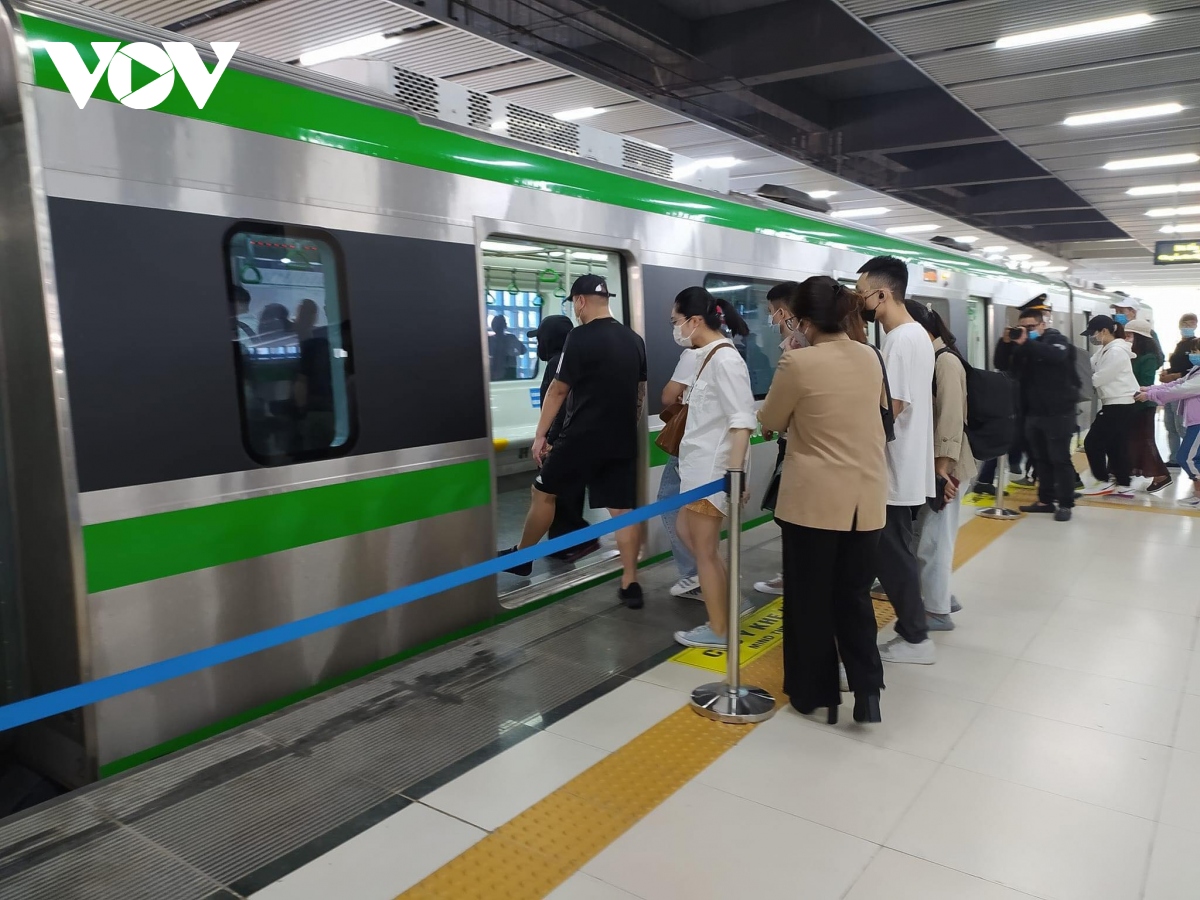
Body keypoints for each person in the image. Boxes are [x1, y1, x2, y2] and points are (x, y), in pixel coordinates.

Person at [758, 275, 886, 724]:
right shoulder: (871, 357)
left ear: (805, 321)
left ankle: (816, 694)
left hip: (813, 503)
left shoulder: (798, 365)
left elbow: (769, 420)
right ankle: (867, 692)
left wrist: (791, 358)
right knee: (853, 597)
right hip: (866, 500)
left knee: (809, 599)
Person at [500, 275, 647, 607]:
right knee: (623, 511)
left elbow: (558, 389)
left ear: (579, 301)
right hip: (621, 439)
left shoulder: (579, 338)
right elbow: (638, 392)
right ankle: (631, 583)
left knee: (542, 491)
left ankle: (523, 556)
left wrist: (541, 435)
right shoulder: (633, 339)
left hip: (580, 438)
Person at [856, 256, 936, 665]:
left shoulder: (901, 340)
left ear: (882, 295)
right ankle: (914, 632)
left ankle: (916, 637)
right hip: (902, 464)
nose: (859, 303)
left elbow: (894, 406)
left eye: (862, 294)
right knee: (892, 554)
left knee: (893, 557)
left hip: (894, 466)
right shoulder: (916, 334)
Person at [671, 287, 758, 649]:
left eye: (676, 322)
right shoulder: (706, 355)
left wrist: (733, 476)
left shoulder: (725, 359)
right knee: (690, 536)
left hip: (712, 472)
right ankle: (730, 606)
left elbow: (742, 421)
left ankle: (720, 628)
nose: (674, 329)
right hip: (697, 468)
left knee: (704, 550)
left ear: (694, 321)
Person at [905, 301, 976, 632]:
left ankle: (936, 612)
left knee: (934, 540)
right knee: (929, 536)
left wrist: (942, 470)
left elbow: (950, 418)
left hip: (948, 466)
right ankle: (941, 597)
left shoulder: (945, 361)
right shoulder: (933, 357)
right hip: (935, 464)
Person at [995, 298, 1079, 521]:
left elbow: (1056, 355)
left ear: (1043, 324)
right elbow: (1002, 364)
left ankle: (1065, 504)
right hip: (1033, 412)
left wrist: (1026, 342)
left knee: (1059, 458)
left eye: (1031, 327)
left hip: (1059, 412)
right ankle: (1045, 500)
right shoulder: (1023, 346)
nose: (1027, 331)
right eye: (1023, 328)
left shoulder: (1057, 340)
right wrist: (1004, 343)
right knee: (1041, 458)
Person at [528, 315, 602, 564]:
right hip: (577, 437)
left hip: (562, 439)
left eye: (540, 339)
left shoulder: (556, 363)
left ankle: (577, 540)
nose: (538, 344)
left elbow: (560, 405)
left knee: (554, 493)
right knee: (566, 492)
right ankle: (567, 542)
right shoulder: (573, 358)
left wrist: (549, 439)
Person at [755, 280, 804, 597]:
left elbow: (776, 412)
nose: (771, 319)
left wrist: (769, 419)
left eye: (772, 312)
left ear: (784, 312)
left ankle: (795, 577)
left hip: (797, 447)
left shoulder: (797, 353)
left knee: (790, 514)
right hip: (799, 443)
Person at [657, 346, 703, 600]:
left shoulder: (692, 355)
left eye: (677, 320)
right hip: (707, 446)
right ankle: (706, 569)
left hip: (689, 443)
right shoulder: (728, 350)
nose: (676, 328)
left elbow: (668, 396)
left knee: (669, 500)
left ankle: (695, 572)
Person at [1080, 315, 1139, 499]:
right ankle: (1123, 484)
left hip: (1118, 404)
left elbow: (1099, 377)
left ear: (1104, 331)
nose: (1093, 337)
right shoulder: (1106, 350)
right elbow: (1089, 366)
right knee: (1115, 446)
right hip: (1116, 403)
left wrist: (1080, 381)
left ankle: (1102, 481)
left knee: (1092, 442)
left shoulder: (1116, 352)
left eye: (1094, 333)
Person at [1137, 346, 1200, 508]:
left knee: (1186, 458)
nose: (1194, 355)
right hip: (1195, 422)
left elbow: (1180, 390)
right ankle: (1197, 494)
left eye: (1197, 351)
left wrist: (1150, 395)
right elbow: (1177, 383)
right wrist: (1150, 388)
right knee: (1194, 458)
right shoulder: (1196, 370)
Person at [1123, 318, 1172, 493]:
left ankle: (1161, 475)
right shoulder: (1134, 355)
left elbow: (1145, 382)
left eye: (1130, 336)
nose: (1127, 339)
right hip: (1133, 404)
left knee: (1145, 441)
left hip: (1144, 406)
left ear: (1139, 337)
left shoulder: (1149, 358)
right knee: (1137, 440)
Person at [1162, 313, 1198, 466]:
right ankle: (1174, 458)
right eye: (1185, 324)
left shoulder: (1195, 344)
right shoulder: (1179, 345)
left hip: (1183, 389)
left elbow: (1192, 370)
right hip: (1173, 387)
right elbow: (1178, 364)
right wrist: (1167, 373)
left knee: (1181, 426)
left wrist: (1176, 375)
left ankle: (1195, 457)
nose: (1187, 327)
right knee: (1170, 426)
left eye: (1191, 324)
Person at [488, 315, 526, 381]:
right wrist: (513, 353)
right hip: (509, 369)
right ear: (505, 325)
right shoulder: (511, 338)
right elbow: (523, 350)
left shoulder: (489, 340)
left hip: (495, 370)